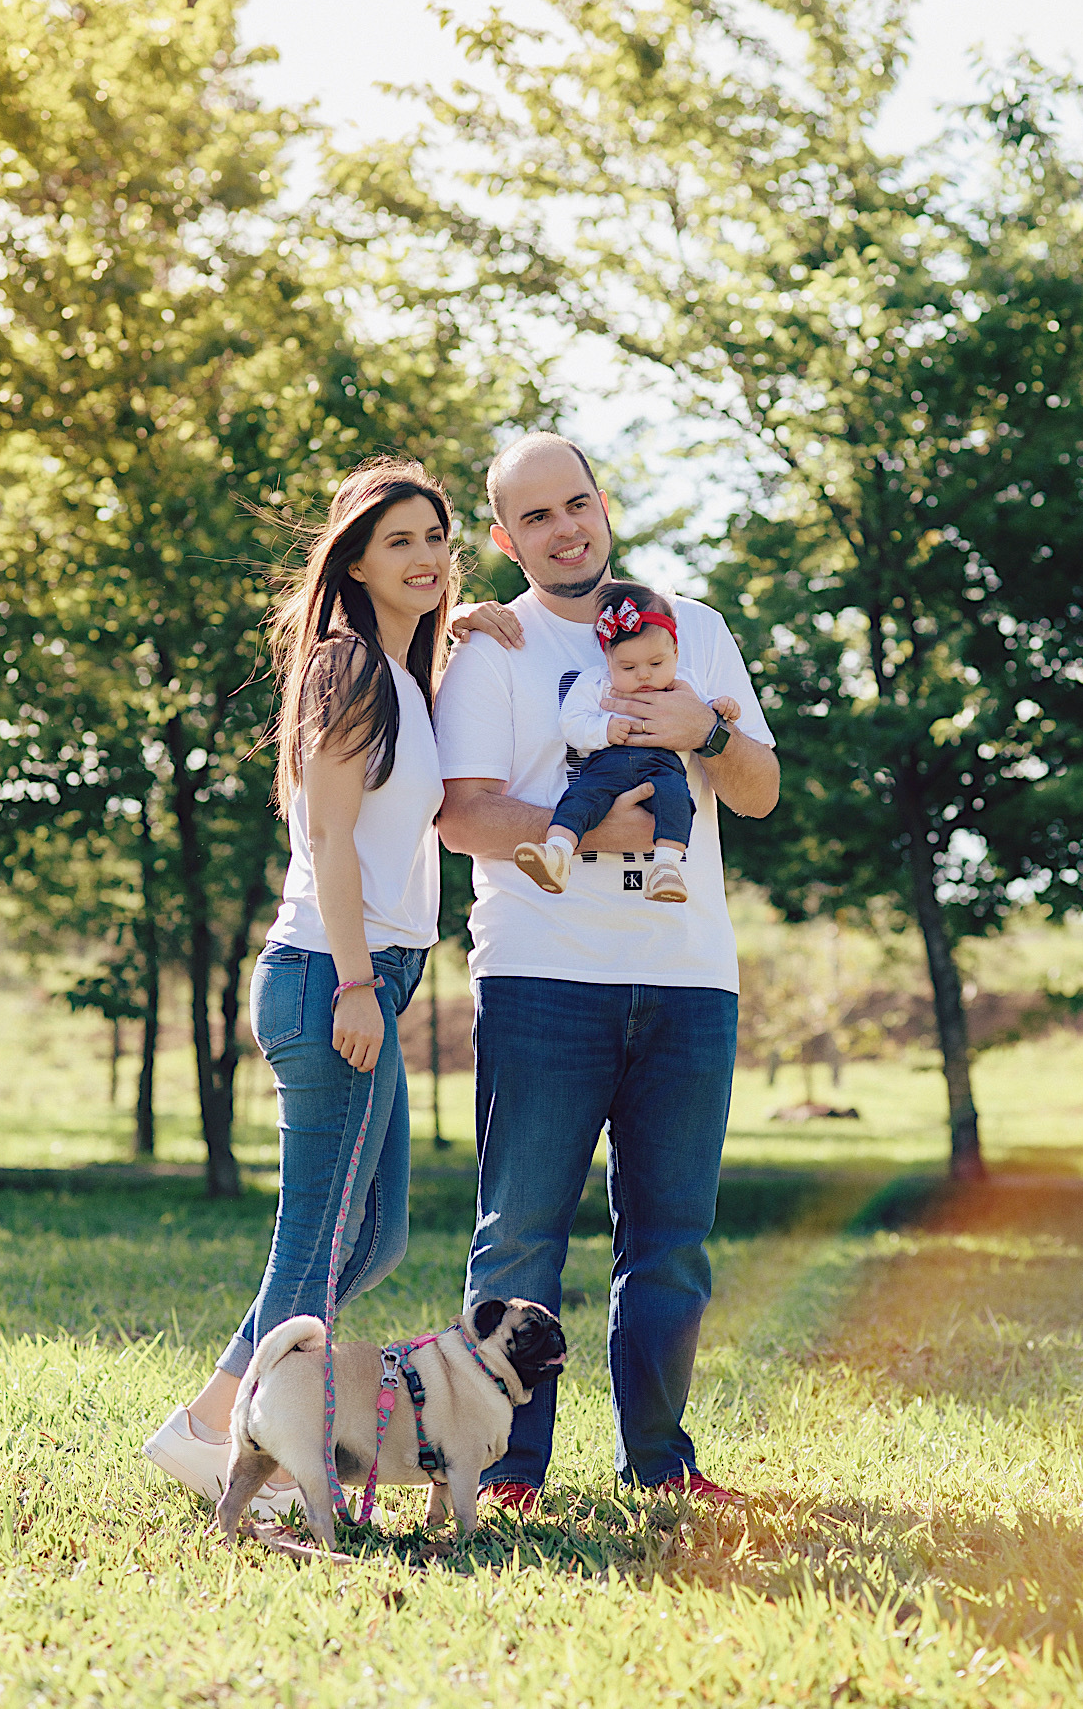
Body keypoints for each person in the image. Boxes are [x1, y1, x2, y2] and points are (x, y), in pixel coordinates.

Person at [143, 456, 502, 1516]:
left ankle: (214, 1417)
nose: (428, 557)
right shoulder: (347, 666)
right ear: (352, 557)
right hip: (329, 977)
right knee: (314, 1244)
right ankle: (229, 1440)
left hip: (365, 978)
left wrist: (468, 620)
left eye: (437, 538)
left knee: (374, 1236)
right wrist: (356, 983)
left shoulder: (398, 675)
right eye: (400, 541)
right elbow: (334, 841)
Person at [435, 432, 780, 1508]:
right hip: (543, 977)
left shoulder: (704, 631)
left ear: (604, 503)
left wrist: (705, 730)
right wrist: (600, 834)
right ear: (505, 537)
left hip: (688, 978)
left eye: (575, 502)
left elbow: (762, 790)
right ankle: (503, 1467)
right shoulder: (494, 647)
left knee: (671, 1242)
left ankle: (661, 1465)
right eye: (534, 517)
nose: (563, 527)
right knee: (522, 1234)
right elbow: (461, 815)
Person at [514, 580, 742, 904]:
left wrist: (720, 709)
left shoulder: (684, 685)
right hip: (606, 765)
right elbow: (572, 723)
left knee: (677, 798)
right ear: (608, 660)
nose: (644, 675)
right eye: (628, 667)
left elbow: (703, 715)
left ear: (675, 652)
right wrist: (604, 729)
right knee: (579, 797)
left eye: (656, 663)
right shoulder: (595, 684)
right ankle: (557, 853)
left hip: (662, 765)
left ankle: (665, 868)